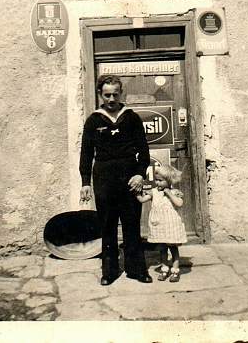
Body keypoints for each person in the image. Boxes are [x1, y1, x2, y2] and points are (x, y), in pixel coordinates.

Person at [79, 74, 152, 286]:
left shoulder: (131, 118)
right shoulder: (93, 120)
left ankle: (136, 269)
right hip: (104, 180)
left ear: (121, 94)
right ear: (100, 94)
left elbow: (144, 151)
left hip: (130, 179)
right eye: (107, 95)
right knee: (107, 226)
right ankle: (109, 271)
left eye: (115, 94)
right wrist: (85, 182)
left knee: (132, 224)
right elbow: (85, 154)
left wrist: (139, 173)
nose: (111, 99)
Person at [137, 164, 187, 282]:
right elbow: (142, 200)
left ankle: (175, 270)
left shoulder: (175, 192)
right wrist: (138, 194)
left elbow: (179, 204)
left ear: (169, 180)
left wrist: (169, 193)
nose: (157, 183)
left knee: (173, 248)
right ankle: (164, 268)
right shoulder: (154, 192)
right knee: (162, 249)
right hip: (159, 225)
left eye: (160, 180)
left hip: (171, 225)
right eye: (156, 180)